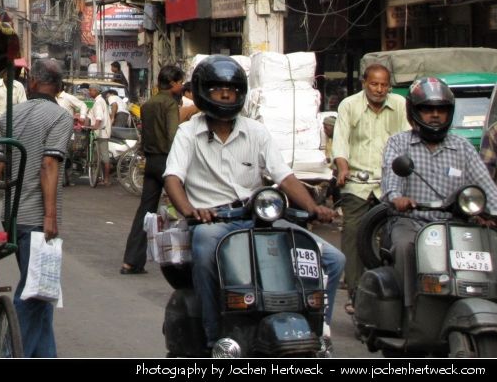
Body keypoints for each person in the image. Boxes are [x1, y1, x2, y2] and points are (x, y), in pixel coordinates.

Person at [163, 55, 344, 351]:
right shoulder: (188, 132)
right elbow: (173, 178)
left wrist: (313, 208)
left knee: (334, 259)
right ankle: (214, 338)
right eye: (217, 89)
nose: (224, 94)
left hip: (257, 218)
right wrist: (190, 211)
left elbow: (283, 176)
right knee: (205, 247)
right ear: (202, 92)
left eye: (231, 90)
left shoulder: (256, 131)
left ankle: (319, 330)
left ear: (240, 94)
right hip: (214, 223)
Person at [0, 58, 73, 358]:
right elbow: (49, 164)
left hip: (13, 217)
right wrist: (50, 216)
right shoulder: (60, 117)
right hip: (38, 219)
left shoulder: (10, 117)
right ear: (59, 87)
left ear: (31, 83)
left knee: (41, 292)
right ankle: (9, 353)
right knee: (33, 293)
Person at [381, 77, 497, 315]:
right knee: (405, 247)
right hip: (411, 222)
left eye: (441, 110)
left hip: (455, 224)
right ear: (413, 111)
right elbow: (391, 182)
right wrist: (397, 198)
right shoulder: (398, 144)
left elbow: (486, 187)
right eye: (427, 109)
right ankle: (409, 309)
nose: (435, 115)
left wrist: (493, 211)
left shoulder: (462, 147)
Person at [331, 63, 408, 313]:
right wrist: (343, 168)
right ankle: (355, 293)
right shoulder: (349, 105)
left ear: (389, 86)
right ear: (365, 83)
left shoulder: (399, 105)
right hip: (358, 183)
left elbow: (407, 142)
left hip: (390, 183)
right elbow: (341, 143)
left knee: (398, 236)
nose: (378, 89)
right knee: (353, 233)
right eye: (374, 84)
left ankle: (397, 292)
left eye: (383, 84)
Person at [120, 65, 183, 275]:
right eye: (181, 82)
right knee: (188, 207)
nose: (182, 86)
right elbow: (174, 136)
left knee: (145, 211)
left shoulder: (148, 104)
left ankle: (130, 261)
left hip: (151, 161)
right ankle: (186, 256)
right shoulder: (170, 104)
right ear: (173, 84)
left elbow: (145, 136)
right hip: (167, 162)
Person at [87, 82, 112, 186]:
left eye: (90, 90)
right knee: (101, 156)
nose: (89, 92)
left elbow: (99, 117)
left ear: (95, 91)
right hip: (102, 131)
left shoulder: (98, 102)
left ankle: (106, 180)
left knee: (104, 156)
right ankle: (103, 178)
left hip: (102, 132)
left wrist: (95, 126)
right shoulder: (100, 100)